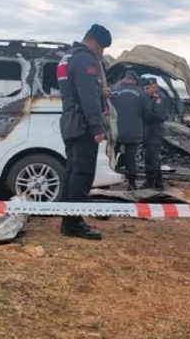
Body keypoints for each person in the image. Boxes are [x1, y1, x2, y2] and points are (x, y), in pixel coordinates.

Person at [56, 24, 112, 240]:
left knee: (72, 172)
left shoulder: (68, 57)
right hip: (83, 125)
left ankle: (68, 219)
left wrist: (100, 91)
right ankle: (73, 223)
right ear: (94, 41)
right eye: (102, 48)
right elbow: (88, 97)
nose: (101, 53)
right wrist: (97, 127)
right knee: (82, 174)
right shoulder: (85, 59)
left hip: (70, 122)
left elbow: (75, 89)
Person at [110, 70, 153, 190]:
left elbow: (107, 108)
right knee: (130, 158)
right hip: (133, 131)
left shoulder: (114, 91)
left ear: (124, 79)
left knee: (111, 155)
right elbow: (147, 113)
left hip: (115, 130)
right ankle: (132, 183)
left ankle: (108, 179)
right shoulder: (142, 94)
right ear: (135, 81)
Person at [141, 77, 169, 189]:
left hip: (155, 128)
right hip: (150, 128)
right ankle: (158, 182)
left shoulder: (159, 98)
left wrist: (144, 114)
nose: (146, 91)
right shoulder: (151, 97)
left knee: (151, 156)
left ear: (154, 87)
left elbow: (158, 115)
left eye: (147, 88)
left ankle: (150, 181)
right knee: (153, 156)